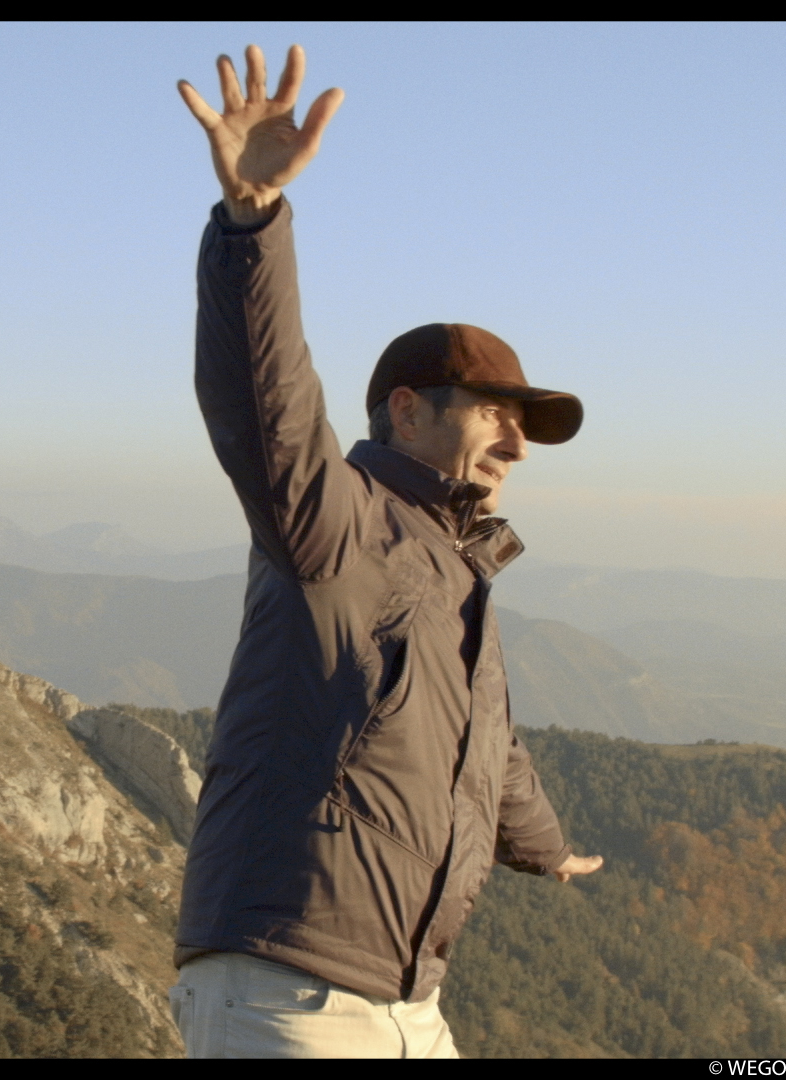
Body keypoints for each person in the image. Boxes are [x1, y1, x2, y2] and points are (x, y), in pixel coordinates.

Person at [168, 44, 605, 1059]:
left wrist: (546, 847)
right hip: (288, 994)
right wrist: (252, 221)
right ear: (407, 412)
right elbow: (267, 410)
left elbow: (486, 742)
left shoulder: (455, 570)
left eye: (526, 429)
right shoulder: (339, 522)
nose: (517, 445)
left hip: (406, 1004)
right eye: (497, 414)